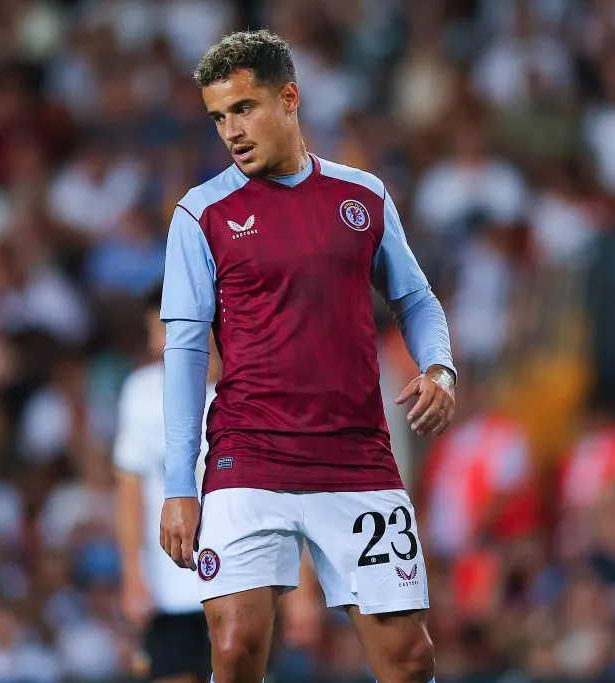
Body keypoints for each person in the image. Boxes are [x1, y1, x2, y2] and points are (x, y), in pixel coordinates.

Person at [158, 29, 457, 683]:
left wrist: (439, 367)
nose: (231, 131)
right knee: (235, 648)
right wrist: (180, 486)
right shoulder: (200, 214)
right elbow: (182, 355)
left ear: (288, 98)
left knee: (409, 657)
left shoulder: (363, 197)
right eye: (218, 117)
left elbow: (416, 299)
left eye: (244, 109)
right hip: (248, 458)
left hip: (356, 460)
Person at [114, 284, 219, 683]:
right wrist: (132, 574)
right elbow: (128, 492)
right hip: (168, 584)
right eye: (153, 332)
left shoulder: (245, 391)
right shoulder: (142, 393)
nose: (158, 343)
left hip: (241, 580)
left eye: (165, 329)